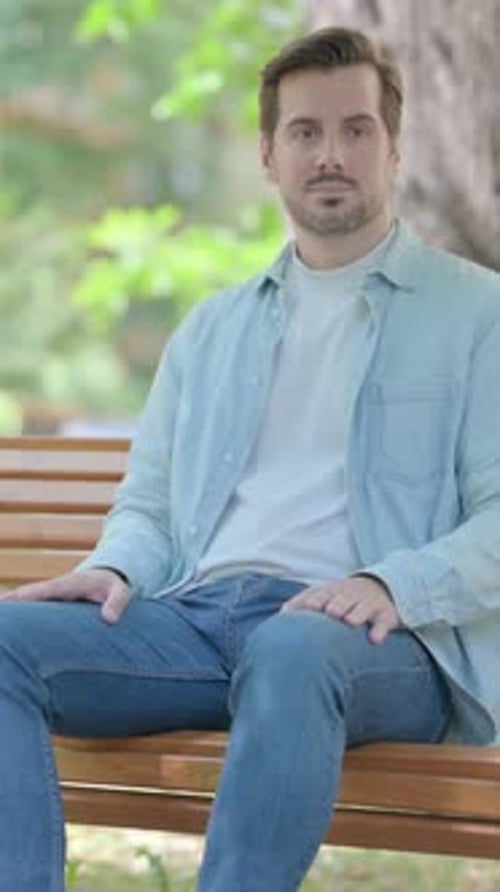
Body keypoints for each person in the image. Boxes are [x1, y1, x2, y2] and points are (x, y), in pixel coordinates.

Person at [1, 25, 500, 892]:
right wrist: (116, 565)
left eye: (356, 130)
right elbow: (151, 504)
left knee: (295, 648)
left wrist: (389, 584)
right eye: (305, 132)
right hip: (198, 622)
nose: (331, 154)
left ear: (394, 148)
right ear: (269, 155)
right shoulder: (212, 330)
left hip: (379, 640)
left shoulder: (478, 313)